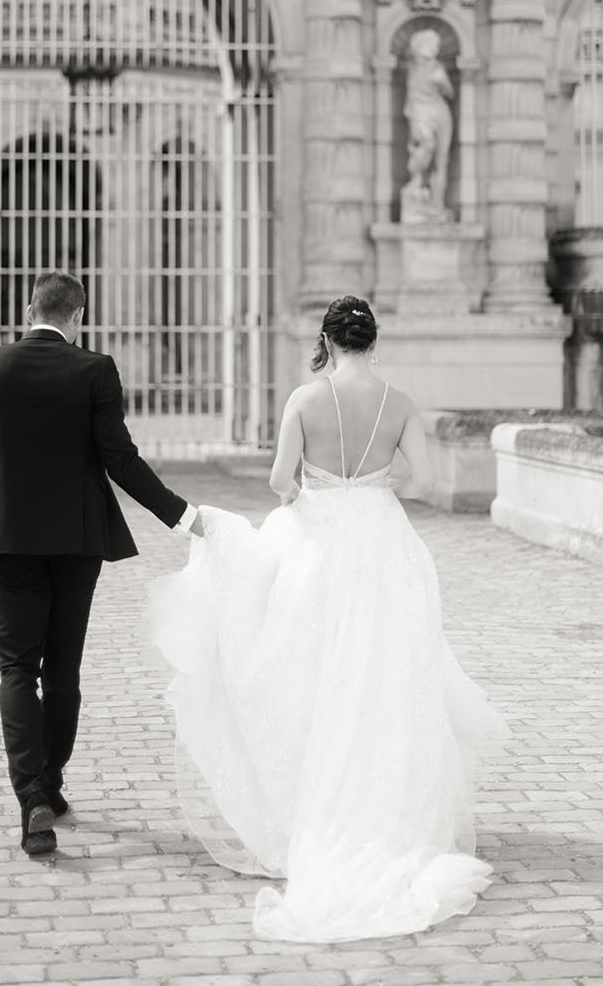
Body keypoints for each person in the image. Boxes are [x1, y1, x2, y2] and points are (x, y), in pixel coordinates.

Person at [148, 295, 510, 942]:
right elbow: (426, 483)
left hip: (315, 541)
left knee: (308, 675)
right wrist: (373, 484)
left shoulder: (304, 400)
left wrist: (319, 490)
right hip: (382, 543)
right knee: (384, 679)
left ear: (328, 341)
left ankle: (307, 807)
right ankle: (388, 810)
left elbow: (279, 480)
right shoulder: (400, 404)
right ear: (372, 341)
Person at [0, 270, 202, 856]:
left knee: (16, 667)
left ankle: (31, 795)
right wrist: (182, 516)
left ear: (26, 307)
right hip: (78, 540)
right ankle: (52, 782)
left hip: (8, 539)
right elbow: (120, 459)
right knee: (62, 671)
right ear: (77, 315)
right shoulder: (95, 370)